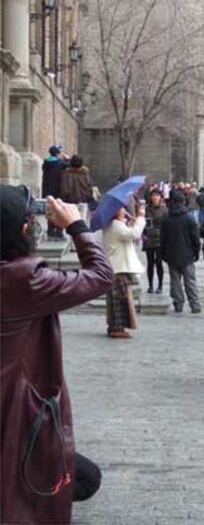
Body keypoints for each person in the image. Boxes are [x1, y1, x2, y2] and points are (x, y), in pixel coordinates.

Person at [0, 185, 113, 525]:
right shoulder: (23, 280)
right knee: (78, 479)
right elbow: (101, 276)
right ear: (22, 230)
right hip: (15, 414)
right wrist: (77, 226)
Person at [102, 205, 146, 338]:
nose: (124, 210)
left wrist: (130, 223)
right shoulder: (116, 225)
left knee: (116, 298)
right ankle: (118, 328)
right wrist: (140, 218)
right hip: (119, 267)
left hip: (115, 266)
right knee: (121, 298)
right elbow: (134, 234)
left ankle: (114, 326)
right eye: (121, 208)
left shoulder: (112, 224)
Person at [160, 190, 201, 314]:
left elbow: (162, 239)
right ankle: (195, 304)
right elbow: (195, 238)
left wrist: (164, 254)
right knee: (190, 281)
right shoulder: (189, 218)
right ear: (183, 201)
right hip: (187, 254)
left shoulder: (166, 219)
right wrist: (196, 252)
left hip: (171, 255)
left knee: (175, 281)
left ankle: (178, 304)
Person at [142, 189, 167, 294]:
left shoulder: (165, 210)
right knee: (150, 263)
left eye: (157, 195)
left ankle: (160, 285)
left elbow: (167, 225)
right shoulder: (146, 210)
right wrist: (143, 235)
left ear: (160, 197)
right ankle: (151, 285)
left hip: (160, 240)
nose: (155, 197)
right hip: (149, 239)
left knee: (159, 263)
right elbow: (142, 224)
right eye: (153, 195)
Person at [42, 145, 69, 239]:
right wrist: (67, 159)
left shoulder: (45, 163)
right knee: (58, 210)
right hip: (58, 191)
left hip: (47, 190)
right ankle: (59, 231)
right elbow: (69, 165)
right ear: (57, 153)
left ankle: (50, 230)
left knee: (50, 210)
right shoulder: (60, 163)